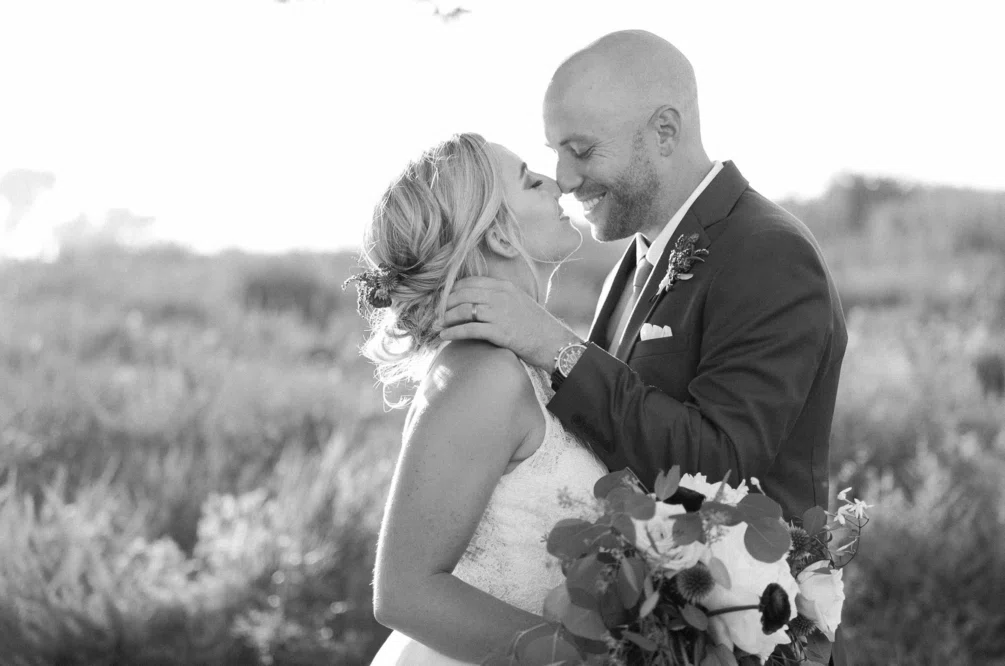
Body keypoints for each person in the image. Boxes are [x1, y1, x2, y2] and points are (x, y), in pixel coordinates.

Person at [440, 31, 850, 664]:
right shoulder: (634, 260)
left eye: (581, 150)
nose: (565, 178)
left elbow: (724, 462)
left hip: (739, 635)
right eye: (556, 152)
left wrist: (558, 349)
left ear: (664, 131)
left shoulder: (766, 253)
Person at [354, 133, 608, 665]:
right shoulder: (482, 373)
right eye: (527, 179)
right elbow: (404, 593)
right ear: (497, 235)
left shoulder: (521, 363)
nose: (554, 181)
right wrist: (588, 662)